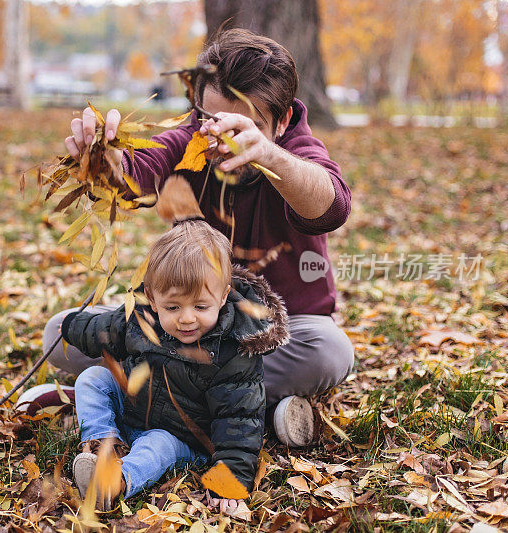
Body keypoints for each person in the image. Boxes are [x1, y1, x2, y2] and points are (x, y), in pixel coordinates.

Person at [20, 29, 354, 448]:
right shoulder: (191, 137)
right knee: (59, 335)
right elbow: (140, 168)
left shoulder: (298, 150)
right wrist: (105, 160)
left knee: (330, 351)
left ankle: (141, 401)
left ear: (283, 120)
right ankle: (249, 411)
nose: (216, 139)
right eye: (209, 119)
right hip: (184, 327)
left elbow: (332, 206)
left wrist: (266, 154)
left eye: (242, 128)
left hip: (271, 334)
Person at [61, 208, 288, 511]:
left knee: (158, 445)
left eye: (200, 306)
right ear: (153, 300)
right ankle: (103, 445)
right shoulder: (141, 317)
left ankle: (115, 482)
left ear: (223, 297)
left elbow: (238, 423)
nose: (187, 319)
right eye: (172, 308)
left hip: (182, 438)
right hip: (133, 410)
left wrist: (229, 481)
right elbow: (105, 331)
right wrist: (72, 326)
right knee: (92, 379)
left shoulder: (232, 352)